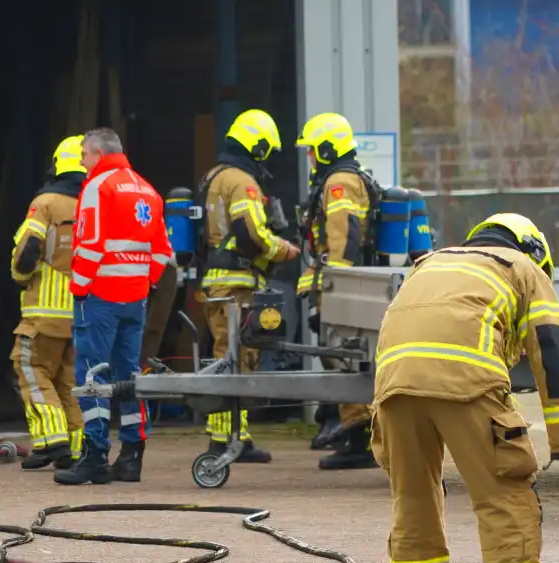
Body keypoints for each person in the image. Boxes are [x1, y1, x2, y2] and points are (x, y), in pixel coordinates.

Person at [369, 213, 559, 563]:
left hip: (394, 388)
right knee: (507, 506)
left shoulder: (430, 264)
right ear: (534, 251)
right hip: (468, 382)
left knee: (414, 509)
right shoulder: (525, 269)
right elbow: (555, 360)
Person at [54, 127, 173, 485]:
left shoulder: (97, 186)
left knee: (92, 376)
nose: (81, 162)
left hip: (100, 297)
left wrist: (79, 288)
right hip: (134, 300)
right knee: (128, 378)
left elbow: (89, 244)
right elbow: (163, 252)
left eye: (84, 155)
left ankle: (94, 457)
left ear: (98, 154)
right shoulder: (147, 190)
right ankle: (132, 457)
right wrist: (143, 282)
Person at [195, 109, 300, 463]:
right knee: (233, 360)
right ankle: (224, 441)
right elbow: (251, 232)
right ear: (257, 146)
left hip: (218, 282)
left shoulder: (214, 176)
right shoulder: (242, 181)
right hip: (236, 286)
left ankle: (237, 437)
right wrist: (283, 249)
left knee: (234, 357)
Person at [294, 112, 385, 470]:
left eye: (313, 151)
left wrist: (334, 286)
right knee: (342, 355)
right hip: (340, 284)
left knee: (345, 357)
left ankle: (360, 438)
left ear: (328, 149)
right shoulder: (340, 179)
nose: (310, 158)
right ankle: (355, 432)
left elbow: (341, 234)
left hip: (343, 286)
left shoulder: (340, 183)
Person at [9, 134, 88, 471]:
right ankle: (71, 449)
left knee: (31, 370)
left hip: (43, 312)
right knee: (69, 382)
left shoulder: (45, 203)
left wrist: (20, 276)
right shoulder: (94, 203)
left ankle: (52, 438)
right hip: (83, 313)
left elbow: (27, 252)